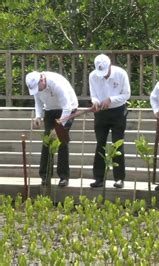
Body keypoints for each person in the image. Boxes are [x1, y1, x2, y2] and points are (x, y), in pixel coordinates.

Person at [26, 71, 79, 187]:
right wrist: (38, 116)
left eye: (38, 88)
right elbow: (38, 102)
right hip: (50, 110)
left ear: (42, 80)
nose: (37, 91)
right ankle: (45, 175)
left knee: (62, 141)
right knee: (47, 141)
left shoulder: (56, 83)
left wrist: (59, 127)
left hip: (68, 109)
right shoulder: (36, 87)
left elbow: (67, 107)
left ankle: (63, 177)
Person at [89, 54, 131, 188]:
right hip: (101, 113)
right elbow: (93, 94)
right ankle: (99, 178)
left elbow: (126, 94)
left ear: (110, 65)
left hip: (118, 111)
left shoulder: (121, 74)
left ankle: (119, 178)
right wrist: (95, 102)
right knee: (100, 144)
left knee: (117, 144)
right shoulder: (93, 76)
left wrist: (111, 99)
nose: (103, 75)